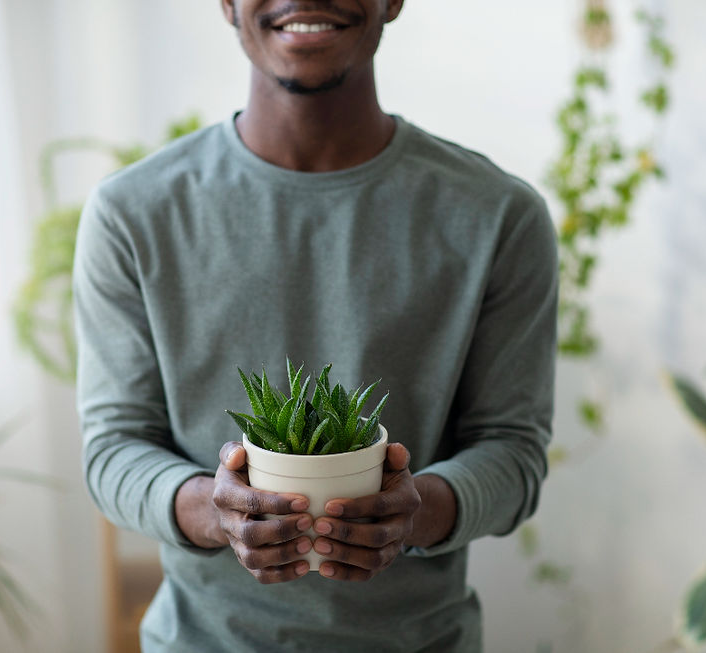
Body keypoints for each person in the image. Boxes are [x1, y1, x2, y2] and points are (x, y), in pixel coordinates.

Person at [72, 1, 558, 651]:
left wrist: (418, 511)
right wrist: (213, 511)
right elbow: (113, 449)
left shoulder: (499, 216)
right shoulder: (132, 214)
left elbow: (514, 451)